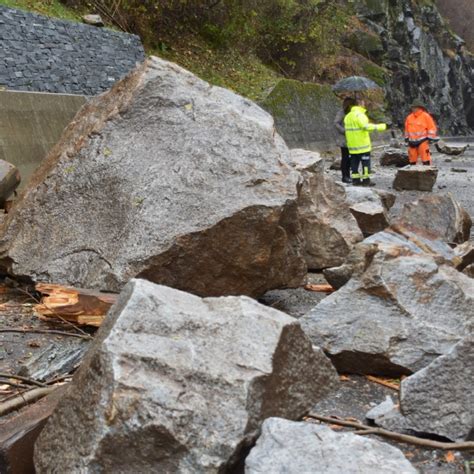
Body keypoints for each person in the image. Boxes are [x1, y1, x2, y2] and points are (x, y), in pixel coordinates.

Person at [344, 99, 387, 186]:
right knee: (366, 164)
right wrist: (382, 126)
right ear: (360, 104)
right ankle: (366, 180)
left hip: (352, 146)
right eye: (363, 103)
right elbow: (365, 127)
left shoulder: (347, 116)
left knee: (354, 164)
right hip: (362, 145)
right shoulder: (360, 115)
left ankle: (355, 180)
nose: (364, 104)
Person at [404, 101, 439, 165]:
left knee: (425, 158)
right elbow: (407, 129)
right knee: (412, 159)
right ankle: (412, 173)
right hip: (412, 141)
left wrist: (430, 138)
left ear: (419, 108)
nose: (412, 109)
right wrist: (406, 138)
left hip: (422, 140)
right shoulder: (409, 117)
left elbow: (431, 128)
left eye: (414, 107)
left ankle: (428, 171)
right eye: (412, 107)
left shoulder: (426, 116)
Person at [334, 97, 356, 183]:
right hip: (344, 139)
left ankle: (349, 175)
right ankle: (345, 176)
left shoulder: (353, 113)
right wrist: (344, 131)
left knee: (351, 158)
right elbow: (336, 123)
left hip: (352, 139)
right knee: (345, 158)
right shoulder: (342, 112)